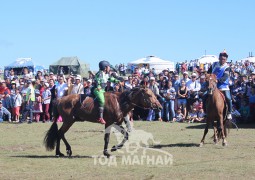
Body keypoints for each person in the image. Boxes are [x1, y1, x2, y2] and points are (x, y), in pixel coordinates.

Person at [207, 50, 233, 119]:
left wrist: (217, 80)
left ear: (226, 59)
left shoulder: (227, 67)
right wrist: (209, 78)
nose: (222, 60)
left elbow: (225, 77)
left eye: (224, 59)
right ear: (219, 58)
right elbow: (208, 72)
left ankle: (229, 113)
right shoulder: (214, 64)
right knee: (204, 95)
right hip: (213, 85)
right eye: (221, 59)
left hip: (223, 86)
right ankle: (206, 111)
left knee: (228, 98)